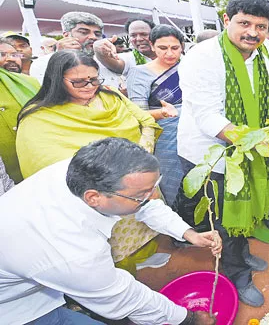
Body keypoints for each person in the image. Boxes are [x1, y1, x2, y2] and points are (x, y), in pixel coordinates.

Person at [0, 137, 220, 325]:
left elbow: (144, 203)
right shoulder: (73, 252)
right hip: (11, 306)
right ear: (94, 197)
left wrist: (187, 233)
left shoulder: (84, 171)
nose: (154, 196)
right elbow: (125, 297)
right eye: (143, 193)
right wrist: (190, 318)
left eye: (154, 186)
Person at [175, 0, 269, 307]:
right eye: (245, 23)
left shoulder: (266, 55)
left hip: (247, 154)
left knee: (241, 216)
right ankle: (236, 274)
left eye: (261, 27)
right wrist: (268, 148)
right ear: (226, 20)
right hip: (210, 156)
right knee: (224, 222)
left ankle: (243, 254)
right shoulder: (201, 59)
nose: (253, 33)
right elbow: (209, 118)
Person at [15, 50, 167, 275]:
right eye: (78, 82)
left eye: (94, 79)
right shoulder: (39, 117)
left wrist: (140, 156)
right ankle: (115, 277)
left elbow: (144, 120)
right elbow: (48, 164)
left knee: (147, 224)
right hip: (98, 194)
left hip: (137, 180)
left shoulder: (110, 96)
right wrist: (113, 175)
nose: (89, 86)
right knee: (109, 244)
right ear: (57, 80)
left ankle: (147, 260)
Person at [127, 24, 185, 205]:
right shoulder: (139, 73)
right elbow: (138, 114)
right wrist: (163, 113)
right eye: (162, 48)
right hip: (165, 137)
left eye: (175, 48)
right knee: (171, 182)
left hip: (194, 132)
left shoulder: (189, 67)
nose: (169, 53)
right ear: (151, 46)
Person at [0, 38, 39, 183]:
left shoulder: (31, 83)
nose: (10, 59)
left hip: (36, 166)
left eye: (15, 55)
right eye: (2, 54)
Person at [29, 12, 104, 84]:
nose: (93, 37)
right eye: (84, 32)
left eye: (97, 34)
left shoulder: (106, 61)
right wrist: (61, 57)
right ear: (66, 35)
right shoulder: (42, 63)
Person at [94, 18, 158, 90]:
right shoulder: (129, 58)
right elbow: (112, 62)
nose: (139, 39)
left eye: (144, 34)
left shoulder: (168, 54)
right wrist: (99, 50)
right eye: (133, 35)